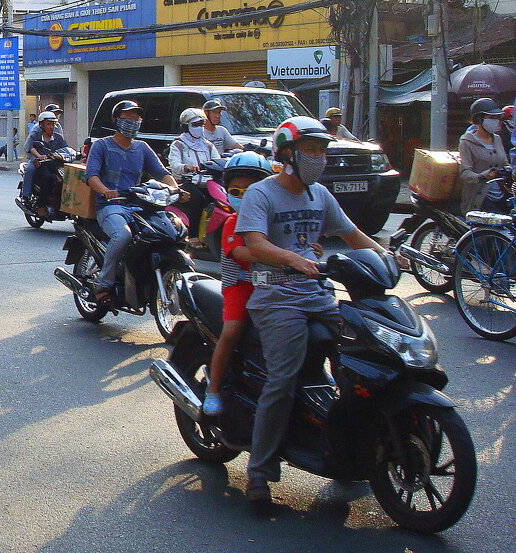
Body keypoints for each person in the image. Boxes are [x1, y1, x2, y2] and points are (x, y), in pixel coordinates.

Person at [236, 116, 392, 506]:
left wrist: (388, 256)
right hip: (276, 297)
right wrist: (291, 258)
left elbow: (352, 235)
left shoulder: (320, 194)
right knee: (282, 379)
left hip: (318, 293)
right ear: (287, 153)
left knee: (366, 357)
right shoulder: (261, 193)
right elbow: (253, 243)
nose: (319, 158)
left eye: (322, 150)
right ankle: (260, 472)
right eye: (311, 150)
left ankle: (344, 438)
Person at [202, 152, 319, 415]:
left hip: (278, 287)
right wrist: (288, 256)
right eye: (236, 190)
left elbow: (299, 242)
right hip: (241, 286)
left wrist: (309, 250)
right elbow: (244, 254)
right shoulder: (232, 223)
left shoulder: (275, 220)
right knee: (231, 331)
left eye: (251, 189)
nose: (243, 196)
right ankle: (214, 387)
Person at [84, 100, 182, 302]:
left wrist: (175, 188)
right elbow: (91, 176)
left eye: (136, 118)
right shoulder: (101, 146)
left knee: (168, 232)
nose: (133, 122)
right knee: (122, 236)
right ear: (116, 121)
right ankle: (105, 282)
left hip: (139, 206)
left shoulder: (142, 148)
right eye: (127, 118)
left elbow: (162, 173)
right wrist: (105, 191)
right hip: (111, 206)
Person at [168, 108, 221, 242]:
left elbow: (217, 160)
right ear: (186, 127)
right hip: (186, 181)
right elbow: (174, 165)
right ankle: (193, 236)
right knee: (198, 199)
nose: (199, 128)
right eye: (195, 125)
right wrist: (187, 167)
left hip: (207, 181)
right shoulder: (178, 144)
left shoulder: (207, 145)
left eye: (201, 125)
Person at [458, 97, 510, 215]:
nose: (496, 121)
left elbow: (504, 163)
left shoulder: (497, 139)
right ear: (478, 119)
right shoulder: (467, 142)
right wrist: (482, 176)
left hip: (501, 195)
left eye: (497, 117)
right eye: (491, 117)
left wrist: (508, 170)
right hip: (480, 199)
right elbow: (464, 173)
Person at [20, 111, 67, 207]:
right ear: (42, 125)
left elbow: (65, 148)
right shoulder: (35, 133)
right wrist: (37, 158)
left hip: (54, 162)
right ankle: (26, 196)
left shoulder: (58, 136)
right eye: (48, 124)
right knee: (30, 170)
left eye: (53, 124)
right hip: (39, 161)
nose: (52, 127)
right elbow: (29, 147)